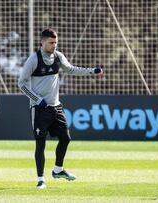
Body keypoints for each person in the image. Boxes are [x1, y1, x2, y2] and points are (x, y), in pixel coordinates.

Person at [18, 28, 103, 189]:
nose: (54, 45)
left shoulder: (58, 57)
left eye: (56, 42)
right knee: (40, 143)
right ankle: (41, 179)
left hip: (56, 107)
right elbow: (21, 83)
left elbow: (71, 69)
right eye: (51, 42)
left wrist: (92, 71)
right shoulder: (33, 60)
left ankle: (58, 170)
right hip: (39, 109)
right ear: (42, 42)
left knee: (66, 138)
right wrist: (37, 100)